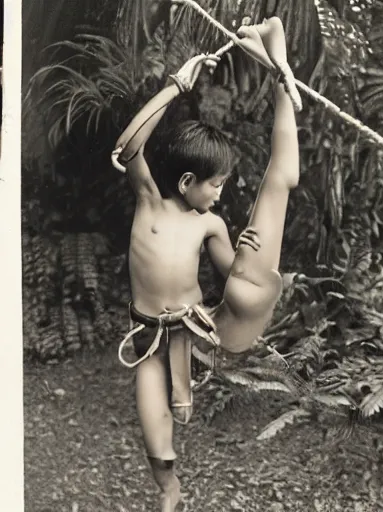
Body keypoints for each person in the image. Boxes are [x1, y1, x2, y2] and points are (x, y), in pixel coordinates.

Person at [112, 17, 300, 512]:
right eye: (216, 184)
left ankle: (278, 66)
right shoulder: (149, 201)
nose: (222, 192)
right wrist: (176, 84)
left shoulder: (211, 224)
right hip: (151, 337)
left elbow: (229, 272)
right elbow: (127, 146)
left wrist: (247, 257)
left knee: (245, 287)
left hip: (199, 332)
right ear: (187, 180)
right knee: (158, 438)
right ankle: (170, 492)